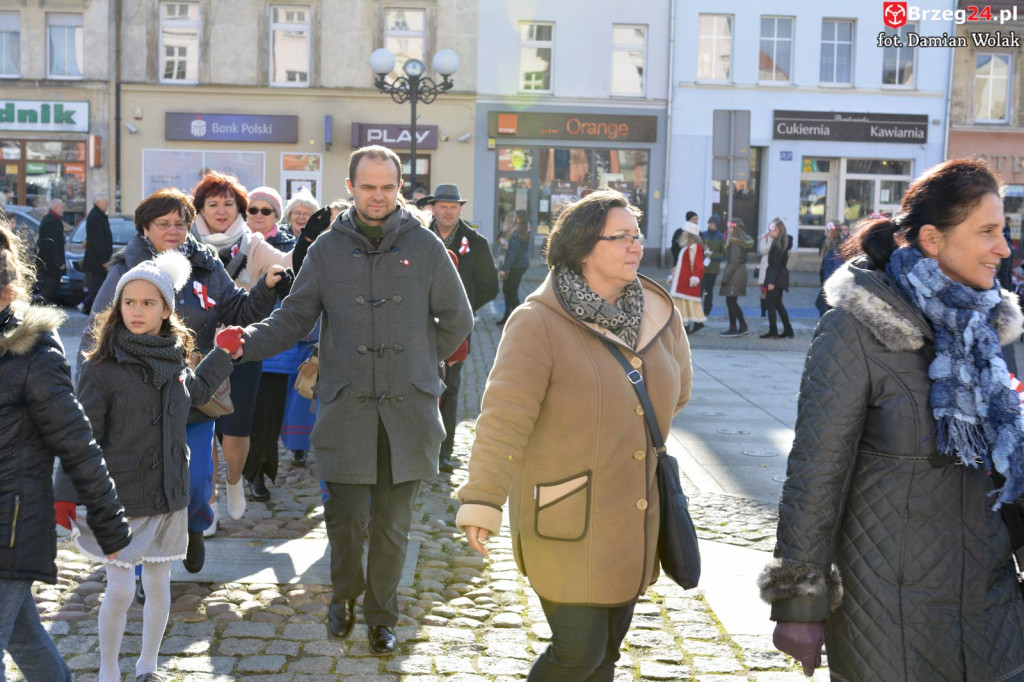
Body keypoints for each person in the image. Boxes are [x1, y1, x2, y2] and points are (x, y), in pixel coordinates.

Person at [759, 158, 1024, 680]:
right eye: (988, 231)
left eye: (1004, 231)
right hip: (889, 610)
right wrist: (799, 606)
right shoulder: (856, 329)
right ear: (932, 238)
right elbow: (816, 471)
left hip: (991, 605)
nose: (1004, 247)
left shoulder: (987, 330)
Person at [235, 145, 473, 655]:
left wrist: (419, 362)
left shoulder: (425, 246)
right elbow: (294, 318)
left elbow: (457, 319)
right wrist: (246, 342)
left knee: (392, 522)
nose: (379, 196)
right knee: (344, 519)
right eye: (368, 186)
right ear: (350, 187)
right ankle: (344, 595)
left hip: (407, 408)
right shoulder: (325, 249)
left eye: (388, 186)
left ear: (399, 188)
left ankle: (383, 615)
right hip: (345, 407)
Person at [456, 189, 692, 681]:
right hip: (566, 516)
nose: (636, 246)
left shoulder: (657, 313)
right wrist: (482, 498)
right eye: (621, 237)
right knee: (578, 653)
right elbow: (504, 417)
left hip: (634, 516)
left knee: (605, 655)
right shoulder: (537, 322)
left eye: (637, 235)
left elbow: (679, 392)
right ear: (584, 248)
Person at [80, 187, 281, 575]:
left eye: (181, 223)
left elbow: (238, 309)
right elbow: (95, 332)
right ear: (144, 229)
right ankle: (140, 570)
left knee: (198, 475)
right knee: (142, 486)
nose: (174, 231)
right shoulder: (126, 270)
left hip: (191, 388)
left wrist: (266, 288)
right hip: (135, 396)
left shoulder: (206, 264)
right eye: (163, 224)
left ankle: (194, 525)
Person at [58, 252, 238, 682]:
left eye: (148, 303)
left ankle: (147, 667)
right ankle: (107, 670)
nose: (137, 312)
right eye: (129, 303)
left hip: (168, 491)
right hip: (120, 497)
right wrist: (64, 490)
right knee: (119, 588)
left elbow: (196, 393)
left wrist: (223, 354)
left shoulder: (175, 359)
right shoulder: (100, 368)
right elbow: (80, 436)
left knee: (159, 585)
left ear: (166, 310)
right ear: (118, 308)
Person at [0, 218, 131, 681]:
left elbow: (77, 441)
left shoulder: (33, 353)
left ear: (8, 291)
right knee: (25, 638)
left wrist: (110, 521)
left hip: (9, 529)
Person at [191, 174, 293, 522]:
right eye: (213, 204)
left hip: (241, 351)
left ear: (240, 209)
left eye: (228, 204)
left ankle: (234, 481)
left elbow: (289, 261)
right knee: (205, 429)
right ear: (201, 209)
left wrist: (309, 241)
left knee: (235, 432)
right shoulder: (185, 244)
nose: (221, 211)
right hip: (198, 352)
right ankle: (210, 496)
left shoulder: (253, 245)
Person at [428, 183, 499, 473]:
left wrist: (463, 309)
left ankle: (444, 452)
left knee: (451, 387)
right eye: (442, 207)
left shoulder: (476, 243)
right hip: (415, 325)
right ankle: (419, 448)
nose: (447, 212)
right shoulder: (417, 237)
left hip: (455, 329)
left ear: (460, 209)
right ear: (433, 208)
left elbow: (491, 286)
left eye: (453, 207)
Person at [719, 218, 754, 337]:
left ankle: (733, 328)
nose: (728, 228)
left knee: (731, 300)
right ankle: (743, 326)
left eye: (730, 226)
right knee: (732, 301)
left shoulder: (735, 242)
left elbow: (733, 262)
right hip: (739, 272)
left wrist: (725, 279)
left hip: (736, 273)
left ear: (736, 228)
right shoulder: (738, 241)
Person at [669, 222, 706, 334]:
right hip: (682, 280)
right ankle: (688, 325)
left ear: (690, 234)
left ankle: (686, 326)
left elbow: (698, 264)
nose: (683, 233)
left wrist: (695, 277)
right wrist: (673, 274)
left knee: (685, 303)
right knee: (683, 303)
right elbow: (682, 264)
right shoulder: (687, 247)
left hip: (687, 281)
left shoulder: (695, 247)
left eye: (685, 232)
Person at [496, 209, 530, 326]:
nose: (514, 218)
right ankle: (508, 316)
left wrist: (503, 269)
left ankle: (521, 319)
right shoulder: (518, 230)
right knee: (507, 290)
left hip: (516, 266)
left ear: (519, 218)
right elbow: (499, 241)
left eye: (516, 216)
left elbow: (513, 255)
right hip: (517, 264)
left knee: (511, 291)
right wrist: (504, 233)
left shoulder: (518, 233)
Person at [761, 219, 794, 339]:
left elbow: (776, 264)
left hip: (776, 277)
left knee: (771, 304)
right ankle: (788, 329)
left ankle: (773, 330)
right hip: (779, 277)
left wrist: (771, 281)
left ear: (778, 230)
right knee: (778, 304)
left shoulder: (779, 244)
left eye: (772, 229)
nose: (770, 231)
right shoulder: (779, 242)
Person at [82, 192, 112, 315]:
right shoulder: (95, 217)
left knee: (97, 289)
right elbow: (98, 240)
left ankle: (91, 310)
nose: (108, 204)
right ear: (97, 202)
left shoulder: (98, 215)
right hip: (97, 263)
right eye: (106, 202)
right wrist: (104, 260)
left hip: (97, 262)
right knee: (96, 289)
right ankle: (92, 312)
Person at [35, 198, 66, 304]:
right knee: (48, 293)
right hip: (50, 266)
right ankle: (44, 315)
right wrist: (59, 263)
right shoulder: (50, 222)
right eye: (61, 207)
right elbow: (51, 245)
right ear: (55, 208)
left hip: (51, 265)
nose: (63, 210)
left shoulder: (53, 220)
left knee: (51, 293)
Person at [814, 222, 844, 317]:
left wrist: (830, 283)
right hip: (829, 283)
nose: (825, 234)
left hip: (832, 284)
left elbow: (836, 267)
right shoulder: (831, 247)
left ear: (833, 233)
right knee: (825, 305)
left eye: (827, 231)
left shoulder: (836, 249)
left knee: (822, 304)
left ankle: (828, 326)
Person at [701, 215, 726, 315]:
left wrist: (712, 255)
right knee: (699, 290)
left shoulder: (721, 237)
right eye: (709, 223)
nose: (710, 225)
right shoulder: (703, 235)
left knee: (709, 291)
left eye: (712, 224)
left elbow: (724, 255)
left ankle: (707, 310)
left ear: (716, 225)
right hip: (701, 268)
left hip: (713, 269)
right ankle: (697, 310)